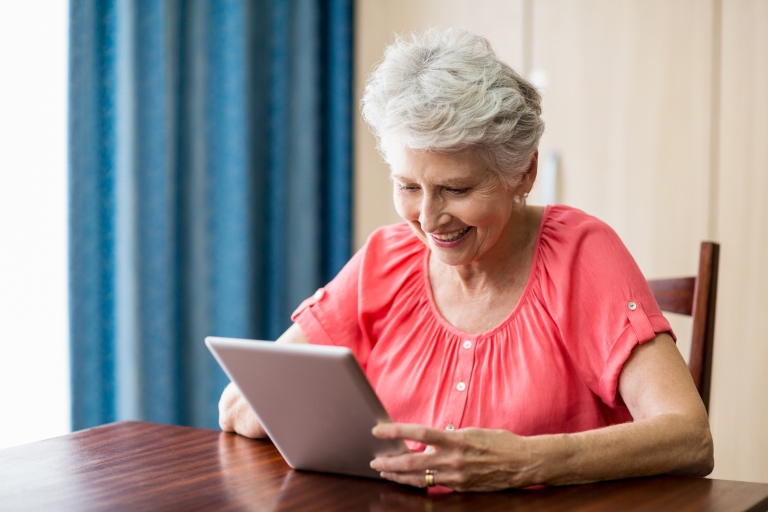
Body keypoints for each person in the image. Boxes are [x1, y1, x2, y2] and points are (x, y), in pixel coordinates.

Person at [218, 28, 713, 492]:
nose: (429, 219)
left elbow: (690, 438)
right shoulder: (385, 260)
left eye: (456, 188)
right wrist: (268, 411)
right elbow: (242, 399)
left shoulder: (582, 254)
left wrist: (526, 461)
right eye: (409, 186)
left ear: (523, 172)